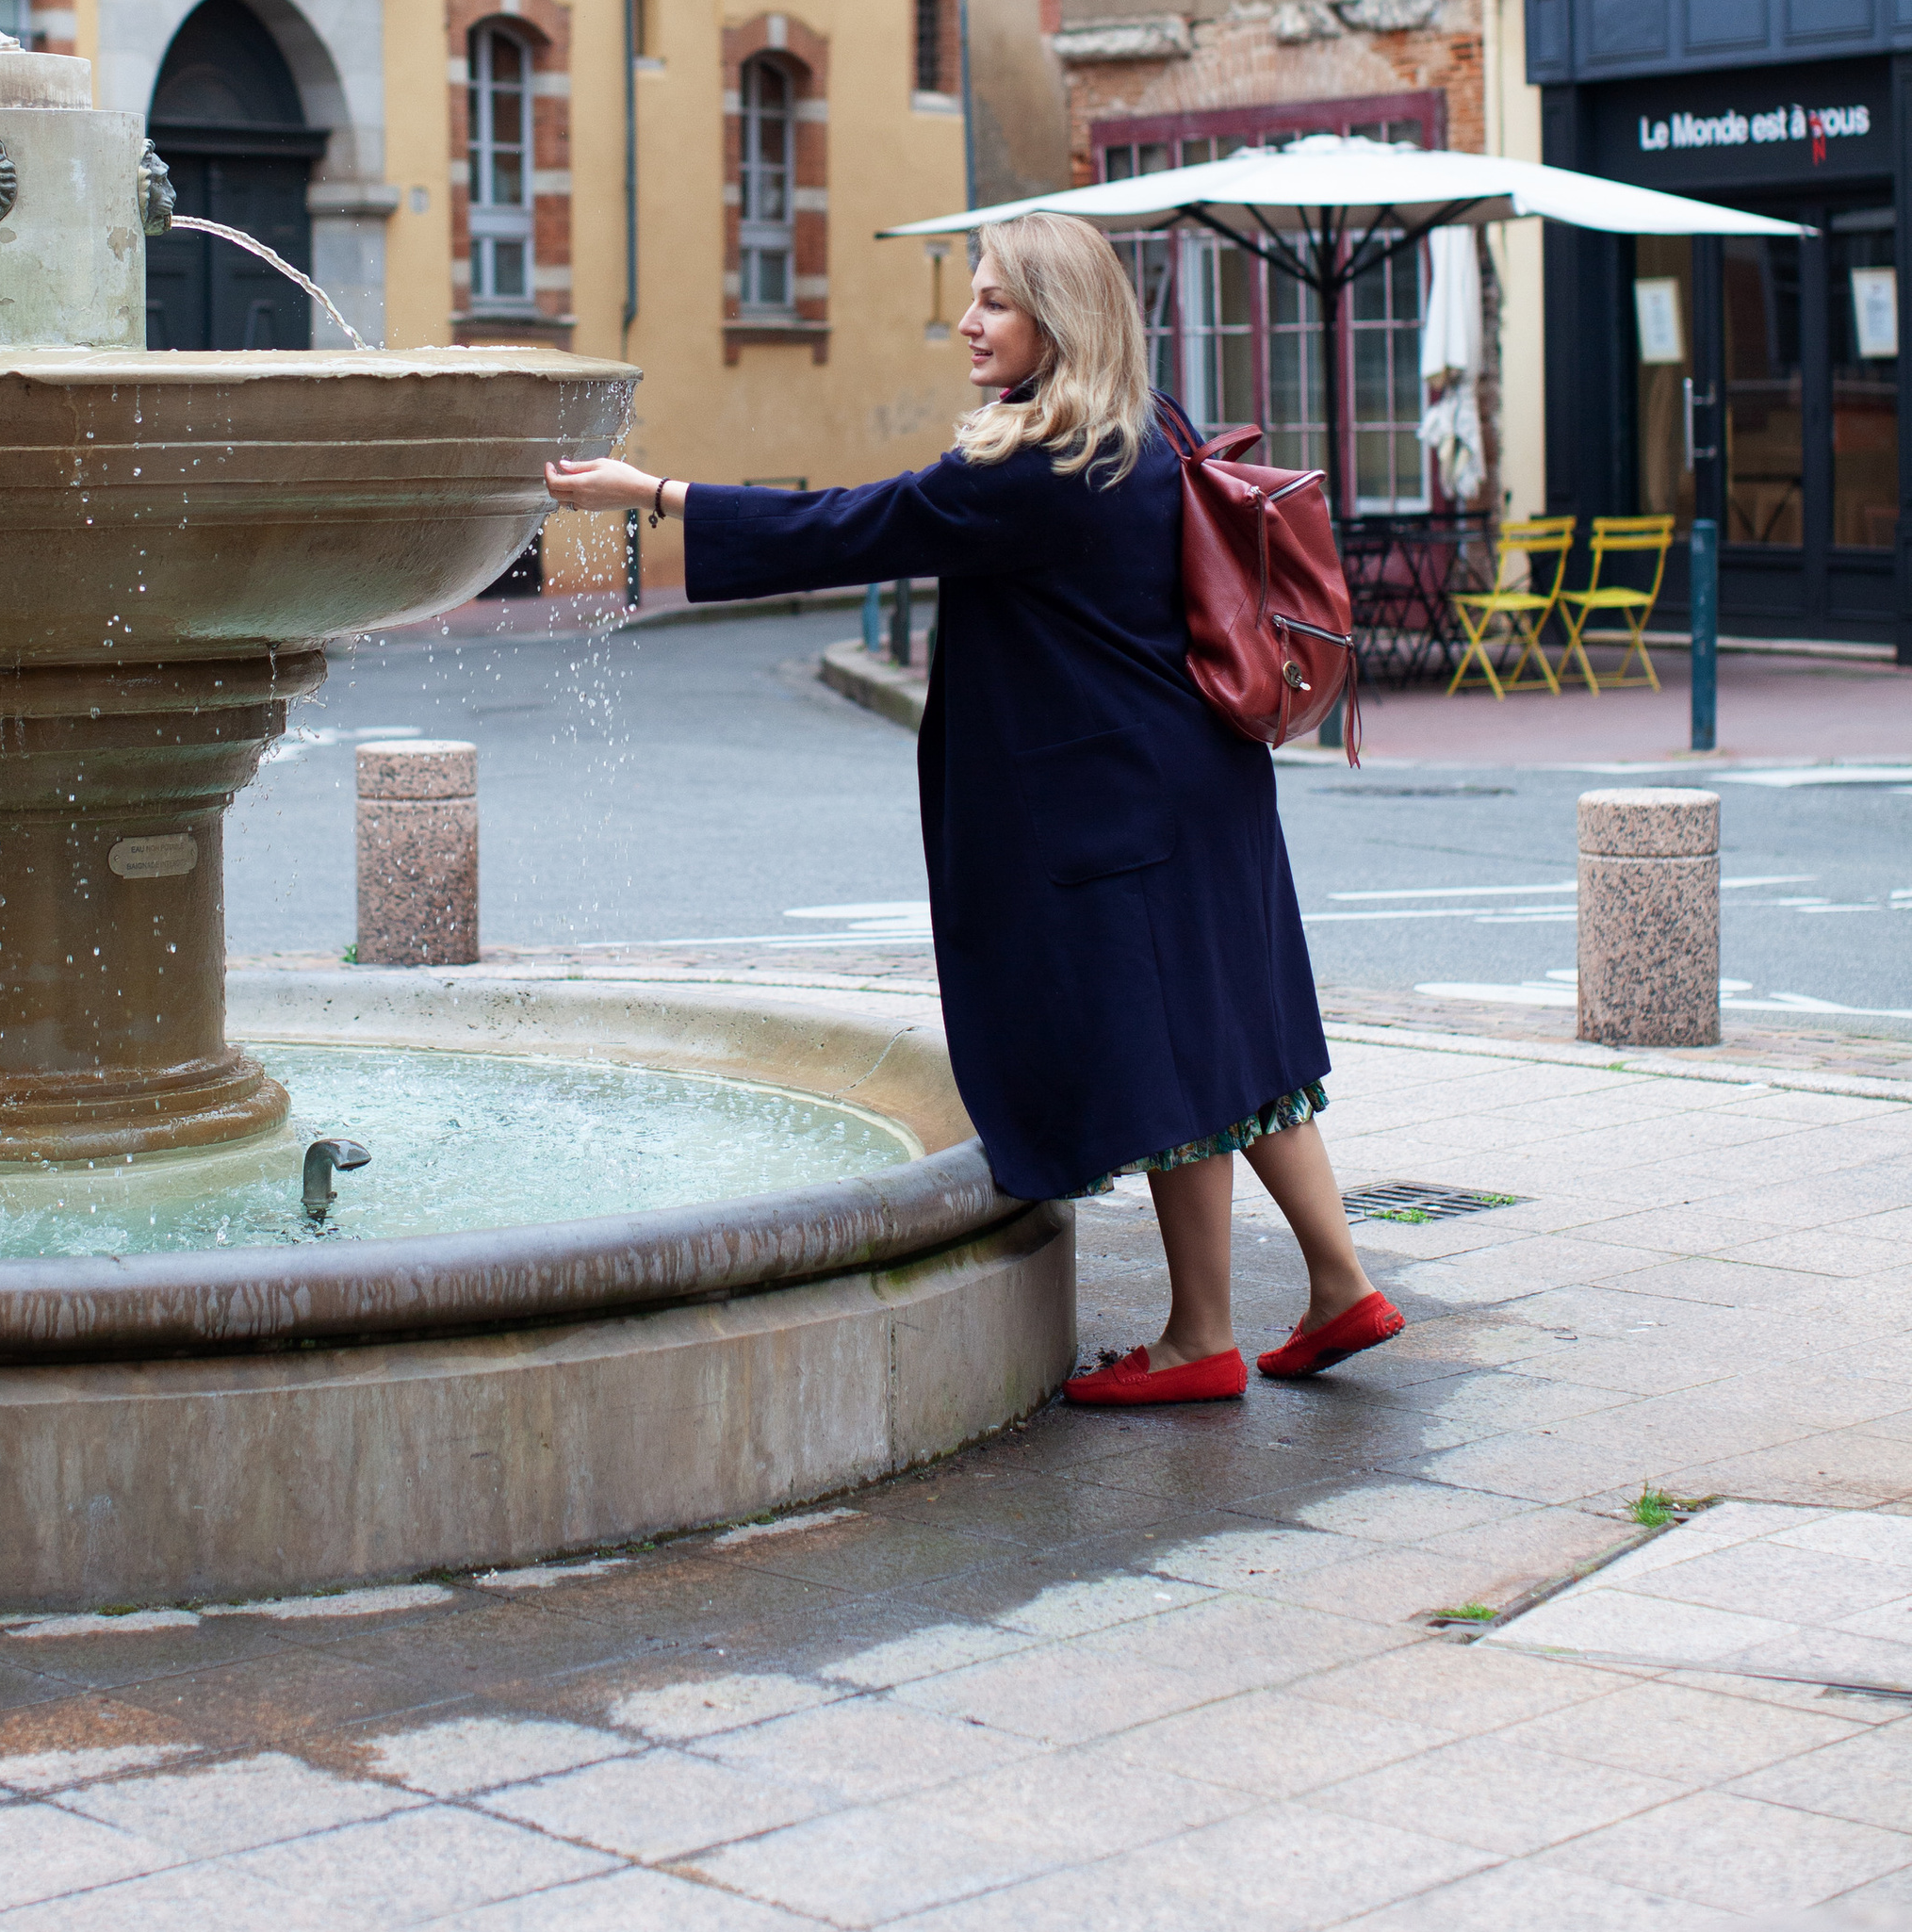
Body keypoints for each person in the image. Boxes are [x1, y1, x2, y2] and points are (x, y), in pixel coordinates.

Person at [547, 215, 1402, 1404]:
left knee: (1176, 1060)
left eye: (995, 300)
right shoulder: (1145, 427)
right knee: (1230, 1046)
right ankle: (1335, 1285)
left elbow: (849, 526)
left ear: (1059, 316)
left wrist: (653, 492)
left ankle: (1203, 1339)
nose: (967, 321)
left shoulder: (1037, 468)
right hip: (1203, 778)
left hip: (1120, 805)